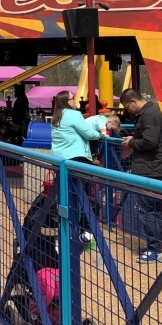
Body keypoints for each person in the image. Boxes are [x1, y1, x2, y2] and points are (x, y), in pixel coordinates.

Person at [119, 89, 162, 263]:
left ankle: (155, 249)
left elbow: (150, 141)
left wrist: (131, 142)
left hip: (150, 169)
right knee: (153, 211)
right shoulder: (150, 113)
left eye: (128, 107)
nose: (128, 111)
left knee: (148, 212)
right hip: (153, 167)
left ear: (133, 101)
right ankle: (155, 246)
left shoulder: (149, 115)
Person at [50, 91, 103, 249]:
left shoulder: (56, 117)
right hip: (77, 159)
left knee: (65, 198)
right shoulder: (73, 114)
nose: (76, 101)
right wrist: (100, 135)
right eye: (73, 98)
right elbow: (88, 133)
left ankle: (65, 234)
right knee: (84, 196)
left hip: (60, 160)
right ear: (67, 102)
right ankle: (85, 232)